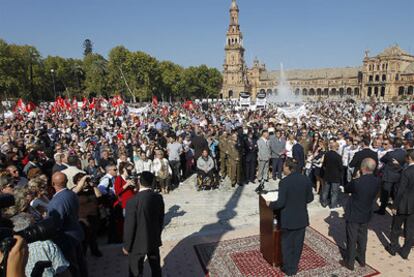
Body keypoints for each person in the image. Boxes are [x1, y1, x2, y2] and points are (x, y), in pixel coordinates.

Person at [267, 158, 314, 276]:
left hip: (288, 220)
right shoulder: (306, 179)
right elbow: (310, 198)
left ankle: (288, 269)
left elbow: (280, 203)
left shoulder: (284, 182)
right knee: (298, 245)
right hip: (301, 219)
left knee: (287, 245)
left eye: (284, 167)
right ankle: (294, 267)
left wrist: (270, 204)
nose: (283, 169)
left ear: (289, 168)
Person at [341, 158, 380, 271]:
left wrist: (355, 178)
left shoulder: (357, 181)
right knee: (363, 237)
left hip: (354, 213)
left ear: (362, 168)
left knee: (352, 238)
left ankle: (350, 262)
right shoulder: (377, 180)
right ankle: (362, 260)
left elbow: (346, 189)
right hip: (366, 212)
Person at [123, 171, 165, 277]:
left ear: (139, 182)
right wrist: (157, 235)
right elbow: (160, 220)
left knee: (136, 270)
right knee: (156, 268)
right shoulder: (158, 197)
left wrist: (127, 246)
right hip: (153, 239)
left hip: (137, 242)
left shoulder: (132, 201)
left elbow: (129, 226)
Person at [47, 172, 87, 277]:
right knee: (80, 262)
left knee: (73, 266)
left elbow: (56, 224)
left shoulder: (56, 202)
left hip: (67, 239)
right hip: (76, 233)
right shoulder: (71, 194)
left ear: (52, 183)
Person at [386, 149, 414, 259]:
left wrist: (394, 206)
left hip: (402, 205)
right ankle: (405, 251)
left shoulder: (407, 172)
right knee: (410, 229)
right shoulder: (406, 170)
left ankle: (393, 248)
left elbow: (400, 190)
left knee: (396, 227)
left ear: (409, 158)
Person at [376, 138, 406, 215]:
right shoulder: (405, 153)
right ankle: (396, 208)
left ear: (394, 145)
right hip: (398, 176)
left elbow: (382, 159)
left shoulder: (390, 154)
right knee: (396, 193)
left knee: (385, 194)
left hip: (388, 176)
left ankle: (382, 210)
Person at [321, 141, 343, 209]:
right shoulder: (338, 156)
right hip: (335, 176)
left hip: (327, 175)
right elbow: (341, 167)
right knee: (334, 192)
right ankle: (333, 205)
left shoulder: (327, 154)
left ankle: (324, 203)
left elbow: (324, 164)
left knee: (325, 190)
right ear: (336, 147)